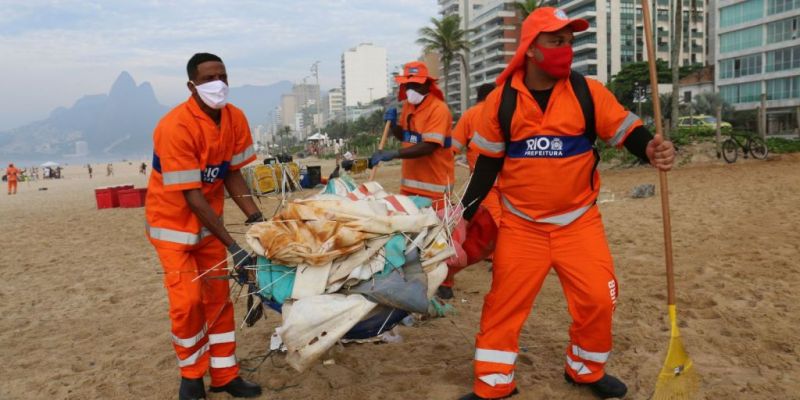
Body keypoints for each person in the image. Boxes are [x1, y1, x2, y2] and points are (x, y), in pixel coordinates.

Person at [456, 8, 676, 400]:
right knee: (503, 307)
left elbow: (627, 131)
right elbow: (486, 168)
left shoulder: (587, 92)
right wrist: (463, 217)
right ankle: (493, 383)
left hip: (579, 222)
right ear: (531, 49)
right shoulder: (502, 103)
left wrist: (652, 150)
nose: (566, 49)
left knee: (598, 298)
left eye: (570, 42)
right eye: (556, 41)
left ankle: (584, 369)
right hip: (522, 226)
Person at [144, 53, 263, 400]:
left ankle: (225, 374)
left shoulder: (234, 118)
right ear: (191, 85)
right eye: (210, 78)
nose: (218, 84)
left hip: (210, 227)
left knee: (218, 299)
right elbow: (192, 196)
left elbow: (232, 174)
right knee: (188, 303)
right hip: (173, 228)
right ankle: (192, 376)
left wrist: (256, 218)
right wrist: (235, 247)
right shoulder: (175, 127)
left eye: (223, 76)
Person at [440, 83, 501, 299]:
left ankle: (447, 278)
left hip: (482, 182)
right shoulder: (504, 109)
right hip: (511, 181)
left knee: (475, 224)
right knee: (507, 224)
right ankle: (501, 259)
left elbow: (452, 148)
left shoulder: (470, 115)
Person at [369, 61, 454, 210]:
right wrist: (394, 125)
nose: (410, 90)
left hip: (435, 188)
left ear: (427, 84)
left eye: (415, 85)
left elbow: (429, 146)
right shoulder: (409, 106)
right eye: (408, 86)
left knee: (434, 229)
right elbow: (406, 136)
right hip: (409, 185)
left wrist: (394, 153)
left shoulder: (439, 109)